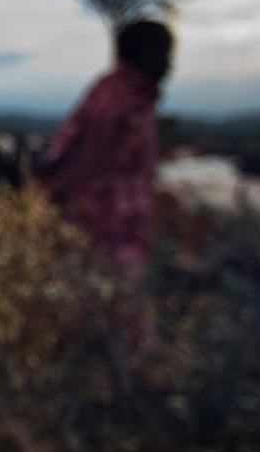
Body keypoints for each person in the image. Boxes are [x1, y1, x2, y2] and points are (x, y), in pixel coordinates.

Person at [37, 20, 174, 281]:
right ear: (140, 53)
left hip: (126, 233)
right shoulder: (115, 101)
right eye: (164, 54)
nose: (170, 65)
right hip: (104, 237)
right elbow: (80, 167)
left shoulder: (136, 99)